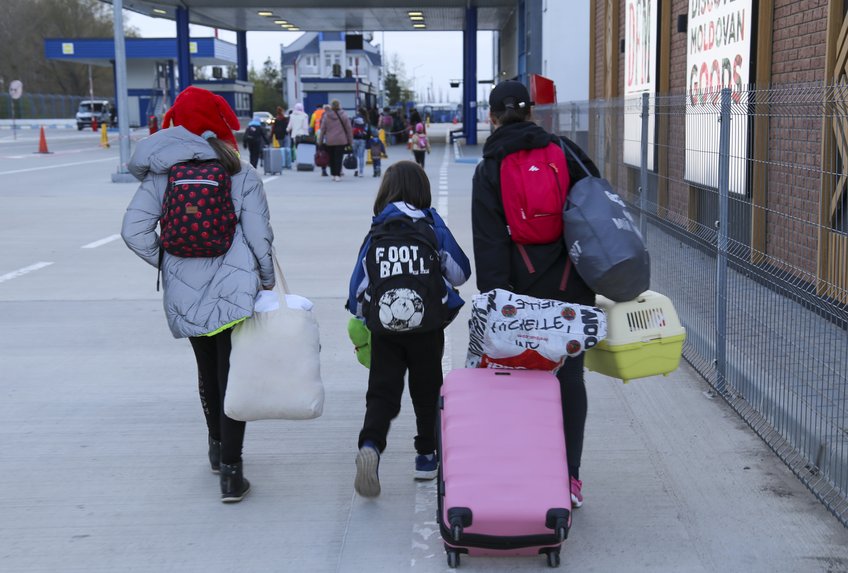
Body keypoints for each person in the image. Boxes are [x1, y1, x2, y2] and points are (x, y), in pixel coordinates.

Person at [120, 86, 275, 503]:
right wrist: (264, 278)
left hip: (183, 288)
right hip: (233, 286)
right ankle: (232, 471)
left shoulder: (161, 173)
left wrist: (166, 260)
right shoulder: (239, 171)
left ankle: (215, 448)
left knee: (207, 369)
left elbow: (132, 231)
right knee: (232, 373)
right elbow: (259, 235)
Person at [470, 80, 600, 509]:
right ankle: (570, 479)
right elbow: (595, 200)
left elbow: (490, 243)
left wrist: (498, 305)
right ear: (531, 113)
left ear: (492, 117)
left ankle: (530, 473)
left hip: (520, 292)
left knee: (519, 383)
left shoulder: (489, 166)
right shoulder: (564, 152)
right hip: (572, 285)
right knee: (569, 378)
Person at [347, 160, 471, 497]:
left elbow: (357, 290)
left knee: (382, 393)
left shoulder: (376, 232)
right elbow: (460, 273)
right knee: (427, 390)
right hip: (427, 327)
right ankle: (426, 457)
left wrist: (363, 317)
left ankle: (371, 445)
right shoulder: (431, 226)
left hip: (385, 329)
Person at [319, 99, 353, 182]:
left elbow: (322, 129)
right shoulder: (344, 115)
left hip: (330, 140)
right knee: (339, 158)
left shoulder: (326, 116)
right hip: (341, 140)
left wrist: (320, 141)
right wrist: (350, 141)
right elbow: (348, 129)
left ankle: (333, 174)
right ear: (339, 105)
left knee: (331, 158)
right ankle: (338, 174)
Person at [351, 108, 371, 177]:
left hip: (354, 139)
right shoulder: (366, 120)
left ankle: (355, 170)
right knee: (361, 156)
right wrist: (367, 139)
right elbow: (368, 131)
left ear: (358, 111)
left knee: (355, 155)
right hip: (363, 139)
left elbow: (351, 127)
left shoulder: (354, 118)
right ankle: (361, 172)